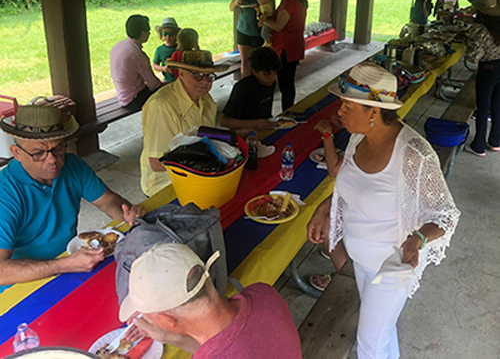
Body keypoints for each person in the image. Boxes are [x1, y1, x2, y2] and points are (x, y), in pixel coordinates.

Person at [307, 62, 460, 359]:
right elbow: (348, 186)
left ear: (373, 111)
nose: (339, 111)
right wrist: (325, 210)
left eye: (347, 106)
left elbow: (446, 213)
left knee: (369, 344)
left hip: (391, 264)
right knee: (382, 332)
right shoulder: (356, 139)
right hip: (361, 260)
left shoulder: (413, 154)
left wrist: (417, 239)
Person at [0, 104, 145, 293]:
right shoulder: (6, 193)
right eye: (38, 153)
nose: (52, 159)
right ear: (17, 153)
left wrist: (126, 212)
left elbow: (108, 201)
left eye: (58, 148)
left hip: (69, 265)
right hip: (21, 287)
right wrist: (63, 265)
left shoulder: (72, 166)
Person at [119, 243, 302, 358]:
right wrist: (169, 337)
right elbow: (225, 345)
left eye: (149, 315)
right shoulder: (262, 292)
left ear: (168, 320)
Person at [140, 50, 228, 197]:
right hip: (164, 186)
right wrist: (204, 165)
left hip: (199, 177)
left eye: (209, 76)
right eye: (197, 75)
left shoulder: (206, 100)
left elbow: (207, 140)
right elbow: (157, 163)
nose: (205, 82)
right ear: (181, 73)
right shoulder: (161, 106)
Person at [465, 0, 500, 156]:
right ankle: (495, 141)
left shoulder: (480, 30)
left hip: (488, 69)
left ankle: (478, 145)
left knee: (483, 106)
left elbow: (473, 57)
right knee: (497, 105)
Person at [265, 0, 308, 111]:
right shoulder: (299, 0)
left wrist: (263, 19)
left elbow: (278, 25)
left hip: (285, 48)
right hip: (294, 46)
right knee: (288, 83)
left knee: (285, 85)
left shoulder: (289, 2)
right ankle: (288, 111)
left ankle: (287, 113)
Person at [219, 47, 280, 132]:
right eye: (265, 74)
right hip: (243, 133)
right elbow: (223, 121)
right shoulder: (242, 88)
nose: (271, 78)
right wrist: (254, 124)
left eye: (274, 73)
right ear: (254, 71)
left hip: (262, 129)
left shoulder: (271, 83)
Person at [110, 14, 163, 111]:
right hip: (133, 100)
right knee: (168, 93)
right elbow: (153, 84)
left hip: (122, 95)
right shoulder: (137, 55)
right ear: (143, 34)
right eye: (148, 31)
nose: (149, 34)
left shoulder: (118, 45)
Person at [229, 0, 273, 77]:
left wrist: (260, 10)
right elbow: (231, 7)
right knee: (244, 62)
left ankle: (258, 84)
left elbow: (271, 10)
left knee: (257, 62)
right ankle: (245, 84)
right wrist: (237, 2)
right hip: (243, 29)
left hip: (258, 31)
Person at [152, 17, 180, 83]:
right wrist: (163, 69)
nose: (168, 37)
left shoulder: (180, 48)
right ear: (161, 34)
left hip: (180, 80)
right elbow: (155, 65)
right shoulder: (160, 50)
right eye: (165, 34)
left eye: (171, 34)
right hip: (167, 80)